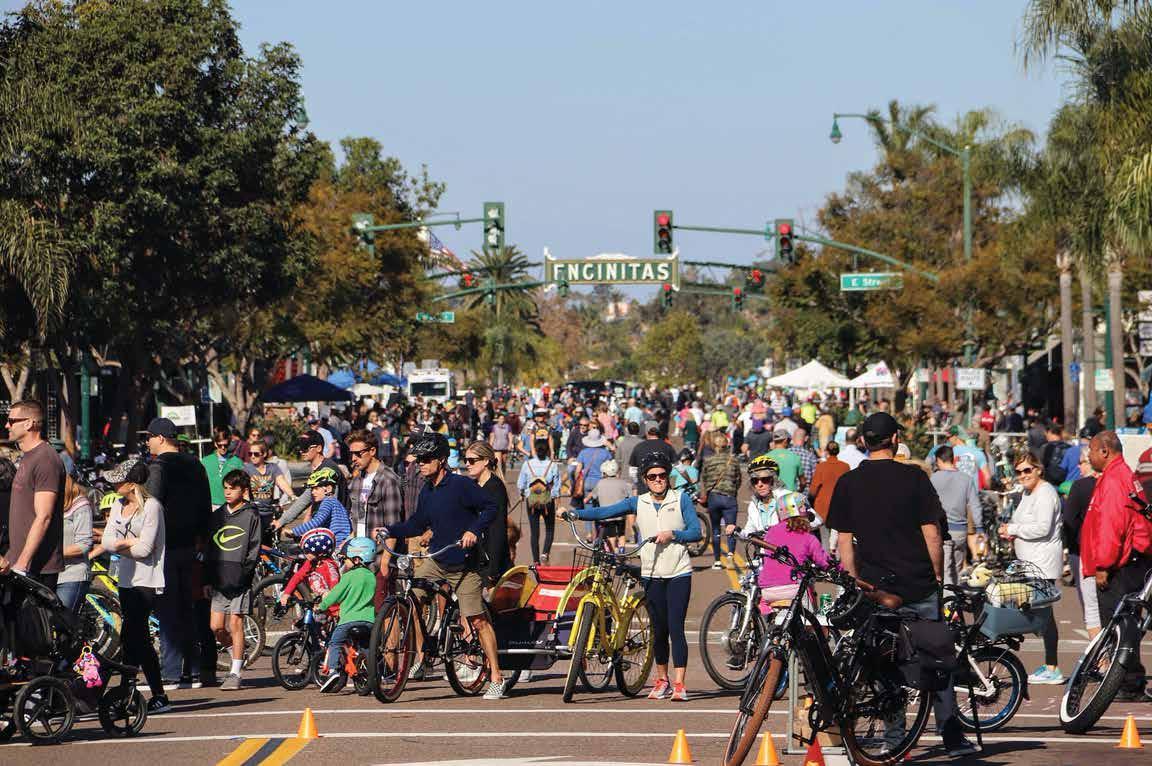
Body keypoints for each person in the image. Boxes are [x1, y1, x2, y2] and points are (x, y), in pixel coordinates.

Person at [825, 412, 977, 757]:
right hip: (918, 583)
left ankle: (894, 739)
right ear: (895, 440)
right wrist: (937, 575)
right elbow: (932, 533)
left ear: (863, 442)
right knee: (935, 658)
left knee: (884, 663)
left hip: (876, 588)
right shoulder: (914, 478)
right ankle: (952, 736)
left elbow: (844, 541)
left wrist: (855, 581)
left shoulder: (849, 482)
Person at [380, 433, 509, 699]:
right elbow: (417, 523)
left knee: (477, 619)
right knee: (412, 599)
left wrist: (473, 530)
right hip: (437, 560)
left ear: (441, 460)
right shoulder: (427, 490)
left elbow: (491, 507)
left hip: (465, 564)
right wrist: (389, 530)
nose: (421, 464)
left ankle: (497, 676)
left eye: (426, 459)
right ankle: (423, 655)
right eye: (419, 460)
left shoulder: (461, 485)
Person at [566, 452, 702, 701]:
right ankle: (662, 680)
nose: (658, 480)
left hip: (678, 572)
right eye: (652, 477)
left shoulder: (680, 498)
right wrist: (576, 514)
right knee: (658, 629)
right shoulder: (638, 502)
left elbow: (696, 532)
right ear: (645, 480)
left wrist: (674, 534)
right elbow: (605, 511)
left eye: (662, 475)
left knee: (675, 628)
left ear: (668, 477)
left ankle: (680, 683)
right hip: (651, 573)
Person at [92, 459, 170, 714]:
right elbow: (107, 541)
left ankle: (135, 691)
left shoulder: (152, 507)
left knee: (134, 634)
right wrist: (128, 542)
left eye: (119, 481)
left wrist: (120, 544)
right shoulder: (118, 504)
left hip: (147, 580)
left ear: (132, 483)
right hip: (126, 579)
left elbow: (145, 550)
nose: (114, 485)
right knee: (135, 637)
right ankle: (140, 693)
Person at [144, 416, 216, 690]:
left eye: (149, 437)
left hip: (166, 547)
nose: (147, 442)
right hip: (193, 546)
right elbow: (206, 505)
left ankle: (171, 672)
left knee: (168, 610)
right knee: (191, 609)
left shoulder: (158, 467)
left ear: (161, 438)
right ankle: (194, 670)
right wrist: (202, 541)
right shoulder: (196, 464)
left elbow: (152, 507)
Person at [1081, 430, 1152, 700]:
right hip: (1128, 564)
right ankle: (1129, 681)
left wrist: (1103, 565)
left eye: (1091, 450)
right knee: (1126, 626)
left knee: (1120, 627)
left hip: (1119, 569)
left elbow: (1111, 526)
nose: (1088, 455)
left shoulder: (1114, 479)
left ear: (1105, 451)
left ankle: (1127, 684)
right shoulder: (1120, 475)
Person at [997, 453, 1064, 684]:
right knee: (1043, 614)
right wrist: (1010, 530)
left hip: (1042, 564)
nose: (1023, 475)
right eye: (1019, 471)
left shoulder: (1045, 493)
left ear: (1038, 470)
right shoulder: (1028, 493)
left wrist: (1013, 530)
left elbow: (1043, 528)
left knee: (1044, 614)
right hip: (1030, 563)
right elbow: (1025, 523)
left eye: (1027, 470)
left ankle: (1052, 667)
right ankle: (1050, 664)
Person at [205, 469, 262, 690]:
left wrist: (244, 574)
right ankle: (237, 652)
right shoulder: (217, 515)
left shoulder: (251, 515)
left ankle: (235, 672)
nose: (227, 492)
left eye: (233, 489)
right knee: (216, 627)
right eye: (225, 488)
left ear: (243, 490)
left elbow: (254, 548)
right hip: (219, 580)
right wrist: (208, 579)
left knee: (235, 623)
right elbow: (210, 548)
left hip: (239, 580)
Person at [3, 399, 65, 586]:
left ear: (29, 423)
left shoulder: (45, 459)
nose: (7, 425)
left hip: (36, 568)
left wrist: (22, 563)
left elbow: (44, 516)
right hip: (18, 563)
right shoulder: (28, 457)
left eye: (11, 421)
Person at [317, 536, 378, 692]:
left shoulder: (349, 576)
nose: (345, 562)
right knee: (366, 646)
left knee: (335, 643)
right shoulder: (371, 576)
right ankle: (373, 672)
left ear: (357, 559)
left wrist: (321, 606)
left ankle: (333, 672)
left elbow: (335, 595)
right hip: (369, 620)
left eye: (346, 559)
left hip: (348, 620)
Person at [930, 445, 984, 585]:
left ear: (938, 460)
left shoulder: (933, 478)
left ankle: (948, 598)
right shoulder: (966, 479)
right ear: (953, 459)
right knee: (956, 570)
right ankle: (956, 594)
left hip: (941, 531)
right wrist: (979, 528)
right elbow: (975, 505)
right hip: (960, 531)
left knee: (945, 572)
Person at [1061, 450, 1100, 641]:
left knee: (1090, 606)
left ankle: (1099, 650)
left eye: (1082, 462)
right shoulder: (1112, 483)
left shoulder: (1080, 486)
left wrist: (1067, 547)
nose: (1078, 466)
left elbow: (1069, 521)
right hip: (1109, 550)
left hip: (1082, 550)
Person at [275, 431, 347, 531]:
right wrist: (280, 522)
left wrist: (297, 530)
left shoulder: (328, 471)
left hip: (334, 529)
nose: (302, 451)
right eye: (300, 447)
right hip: (323, 527)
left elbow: (328, 509)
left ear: (319, 448)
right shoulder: (319, 469)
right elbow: (305, 499)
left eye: (305, 446)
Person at [463, 441, 511, 584]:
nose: (467, 464)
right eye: (465, 460)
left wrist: (494, 568)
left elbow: (498, 529)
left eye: (471, 460)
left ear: (485, 461)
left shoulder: (495, 488)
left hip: (490, 560)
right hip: (474, 557)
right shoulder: (472, 485)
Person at [346, 429, 404, 539]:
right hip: (358, 545)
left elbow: (393, 527)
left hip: (378, 547)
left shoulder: (388, 480)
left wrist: (385, 552)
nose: (353, 458)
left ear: (372, 451)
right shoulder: (356, 480)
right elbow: (357, 521)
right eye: (351, 454)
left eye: (358, 454)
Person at [699, 431, 742, 570]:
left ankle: (717, 560)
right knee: (731, 528)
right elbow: (738, 479)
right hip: (729, 497)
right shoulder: (733, 460)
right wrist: (733, 490)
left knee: (716, 528)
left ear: (714, 446)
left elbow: (704, 480)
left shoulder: (708, 460)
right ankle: (730, 556)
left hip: (714, 497)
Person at [517, 438, 560, 565]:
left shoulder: (527, 464)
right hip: (547, 501)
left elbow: (521, 484)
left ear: (535, 450)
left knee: (534, 532)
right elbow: (556, 487)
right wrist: (555, 498)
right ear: (547, 450)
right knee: (550, 529)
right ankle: (545, 553)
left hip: (531, 501)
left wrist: (522, 493)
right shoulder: (552, 465)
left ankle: (536, 560)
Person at [56, 472, 93, 613]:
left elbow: (84, 544)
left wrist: (55, 554)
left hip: (71, 575)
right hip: (49, 574)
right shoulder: (48, 504)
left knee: (62, 620)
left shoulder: (80, 505)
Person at [288, 467, 353, 545]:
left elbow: (317, 521)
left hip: (336, 544)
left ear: (328, 489)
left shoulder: (328, 502)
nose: (313, 492)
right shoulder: (335, 502)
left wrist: (294, 531)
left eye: (316, 488)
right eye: (312, 489)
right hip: (341, 541)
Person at [589, 459, 633, 549]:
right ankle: (621, 552)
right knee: (621, 534)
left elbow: (594, 497)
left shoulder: (600, 483)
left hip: (607, 515)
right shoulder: (623, 483)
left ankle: (613, 554)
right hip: (621, 514)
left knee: (611, 536)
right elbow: (629, 497)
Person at [200, 426, 244, 507]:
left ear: (229, 443)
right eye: (220, 445)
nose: (223, 448)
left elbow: (243, 485)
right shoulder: (205, 461)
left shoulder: (237, 462)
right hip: (211, 504)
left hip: (231, 504)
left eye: (225, 445)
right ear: (215, 444)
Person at [243, 440, 295, 508]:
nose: (252, 456)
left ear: (264, 454)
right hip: (252, 510)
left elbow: (281, 482)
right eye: (250, 454)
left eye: (256, 454)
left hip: (269, 509)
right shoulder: (246, 469)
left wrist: (292, 495)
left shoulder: (273, 467)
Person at [809, 440, 849, 527]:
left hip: (822, 507)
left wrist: (811, 497)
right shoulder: (845, 466)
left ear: (827, 451)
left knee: (823, 533)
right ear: (838, 451)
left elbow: (813, 490)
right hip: (839, 506)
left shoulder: (821, 466)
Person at [628, 425, 678, 492]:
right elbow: (678, 467)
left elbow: (632, 471)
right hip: (662, 489)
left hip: (643, 489)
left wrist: (637, 484)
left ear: (647, 433)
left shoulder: (638, 447)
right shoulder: (667, 446)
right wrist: (688, 480)